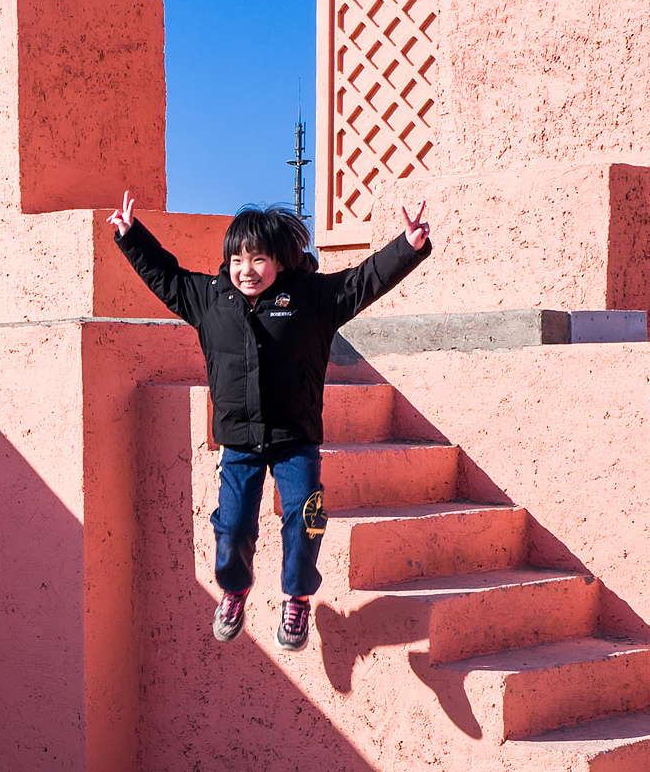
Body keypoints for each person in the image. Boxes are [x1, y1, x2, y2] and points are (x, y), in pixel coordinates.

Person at [109, 193, 431, 650]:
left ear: (279, 260)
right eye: (237, 260)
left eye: (258, 259)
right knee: (233, 527)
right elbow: (165, 276)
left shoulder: (312, 299)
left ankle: (296, 597)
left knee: (305, 518)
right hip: (239, 443)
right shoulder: (209, 300)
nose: (247, 270)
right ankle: (234, 590)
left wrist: (408, 246)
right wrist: (131, 235)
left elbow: (364, 280)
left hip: (294, 438)